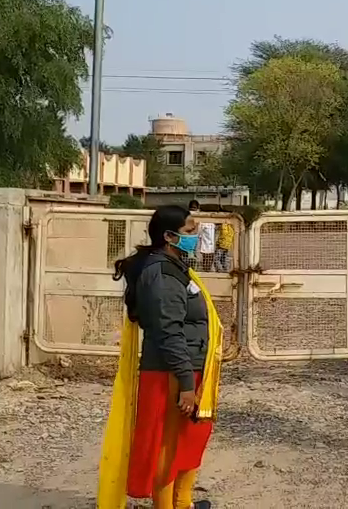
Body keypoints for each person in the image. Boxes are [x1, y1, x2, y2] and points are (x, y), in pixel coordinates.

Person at [97, 205, 223, 509]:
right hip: (171, 371)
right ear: (169, 236)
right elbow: (168, 332)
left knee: (189, 440)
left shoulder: (175, 266)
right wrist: (185, 384)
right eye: (190, 231)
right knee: (168, 446)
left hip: (188, 366)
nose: (197, 236)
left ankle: (183, 502)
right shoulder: (162, 274)